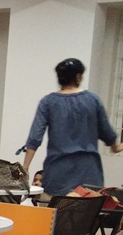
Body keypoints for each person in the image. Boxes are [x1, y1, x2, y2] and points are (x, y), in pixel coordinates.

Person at [23, 58, 122, 196]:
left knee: (55, 209)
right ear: (78, 77)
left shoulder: (48, 102)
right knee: (88, 208)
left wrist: (25, 167)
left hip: (57, 171)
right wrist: (115, 147)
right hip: (88, 172)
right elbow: (107, 133)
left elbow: (35, 137)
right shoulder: (93, 100)